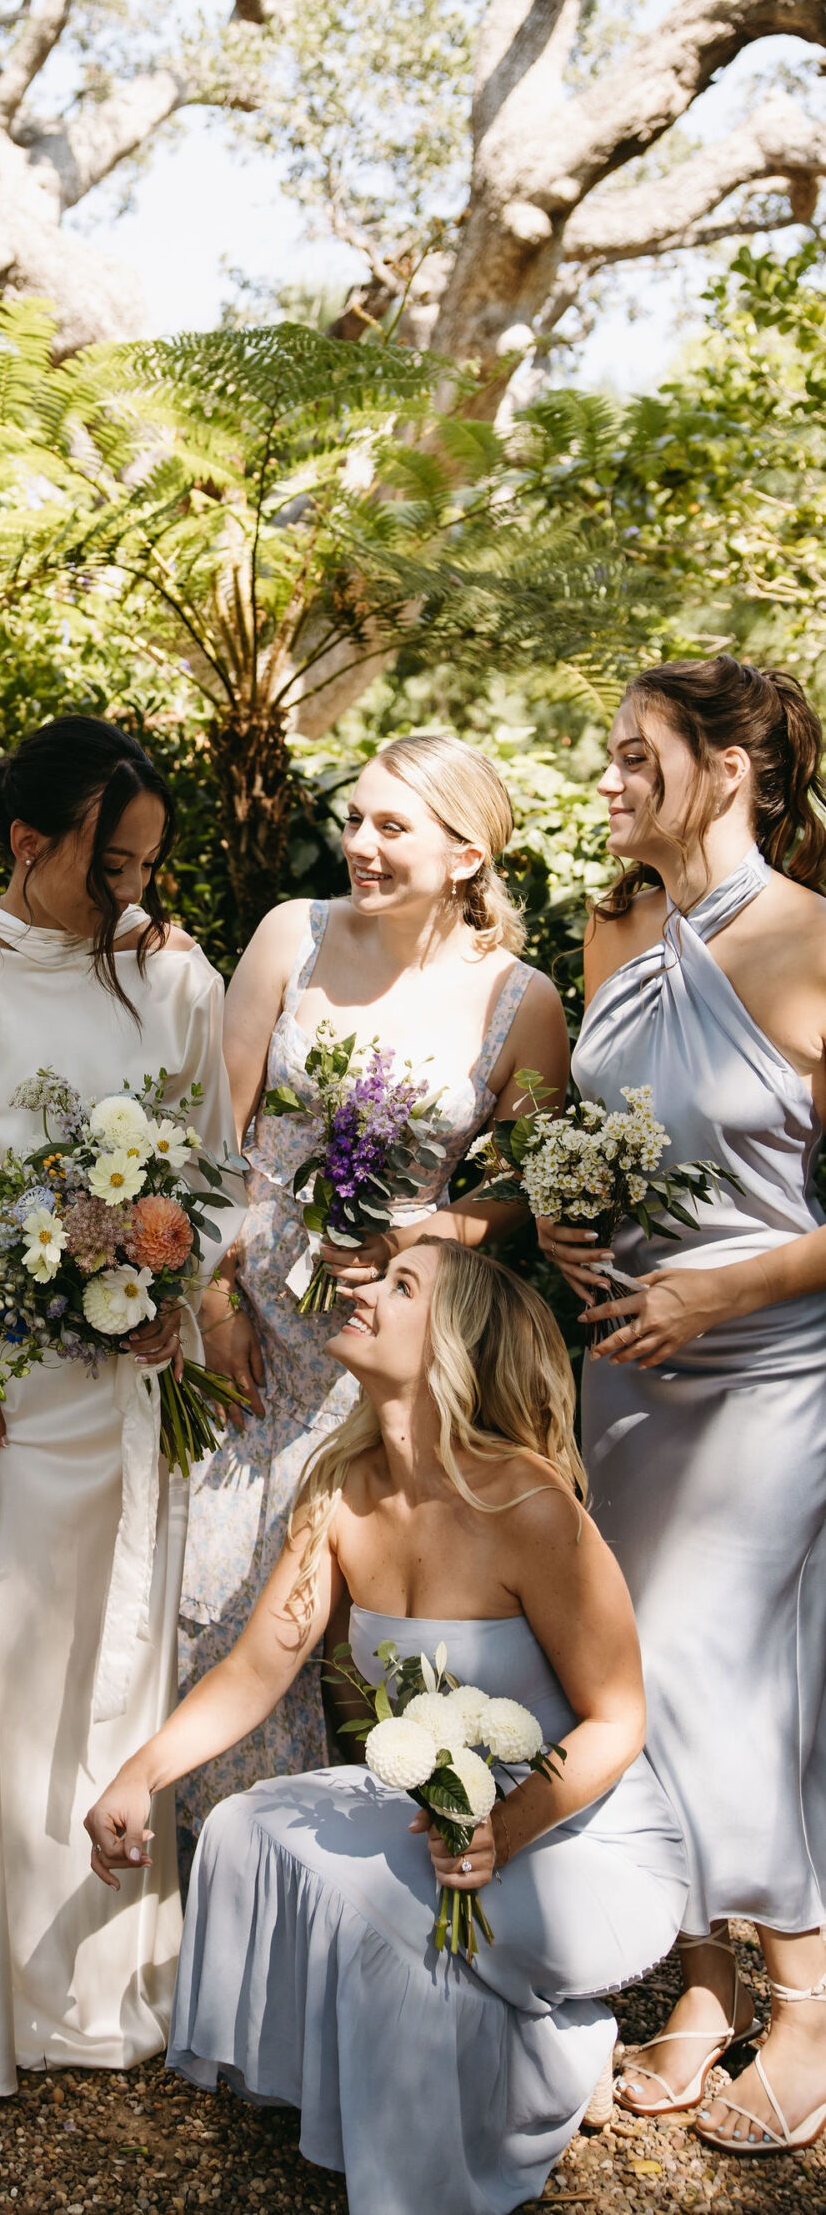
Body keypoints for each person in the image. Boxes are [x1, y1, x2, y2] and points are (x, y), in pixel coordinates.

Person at [85, 1241, 689, 2215]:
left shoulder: (531, 1505)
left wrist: (505, 1830)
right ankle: (477, 2058)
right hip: (438, 1817)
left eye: (401, 1285)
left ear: (456, 1342)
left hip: (580, 1837)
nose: (363, 1289)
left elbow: (620, 1718)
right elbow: (256, 1668)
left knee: (379, 1913)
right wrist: (139, 1771)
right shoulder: (341, 1491)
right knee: (245, 1828)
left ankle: (542, 2066)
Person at [0, 716, 241, 2097]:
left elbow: (210, 1161)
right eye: (107, 865)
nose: (129, 892)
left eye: (145, 867)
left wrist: (173, 1271)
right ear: (27, 841)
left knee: (114, 1654)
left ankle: (99, 1981)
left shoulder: (169, 974)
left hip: (126, 1386)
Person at [177, 735, 569, 1837]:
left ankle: (388, 1903)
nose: (357, 844)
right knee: (221, 1617)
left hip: (391, 1363)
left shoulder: (520, 1001)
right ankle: (231, 1900)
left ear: (465, 853)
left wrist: (436, 1225)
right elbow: (209, 1139)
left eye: (392, 826)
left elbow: (537, 1191)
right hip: (244, 1342)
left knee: (371, 1653)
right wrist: (213, 1302)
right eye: (355, 818)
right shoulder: (288, 937)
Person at [539, 657, 826, 2157]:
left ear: (726, 771)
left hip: (764, 1372)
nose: (605, 783)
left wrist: (723, 1289)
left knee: (714, 1666)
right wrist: (562, 1218)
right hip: (622, 1373)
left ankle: (810, 2001)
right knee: (636, 1672)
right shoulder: (612, 932)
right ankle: (703, 1989)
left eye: (632, 758)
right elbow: (605, 1140)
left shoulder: (809, 943)